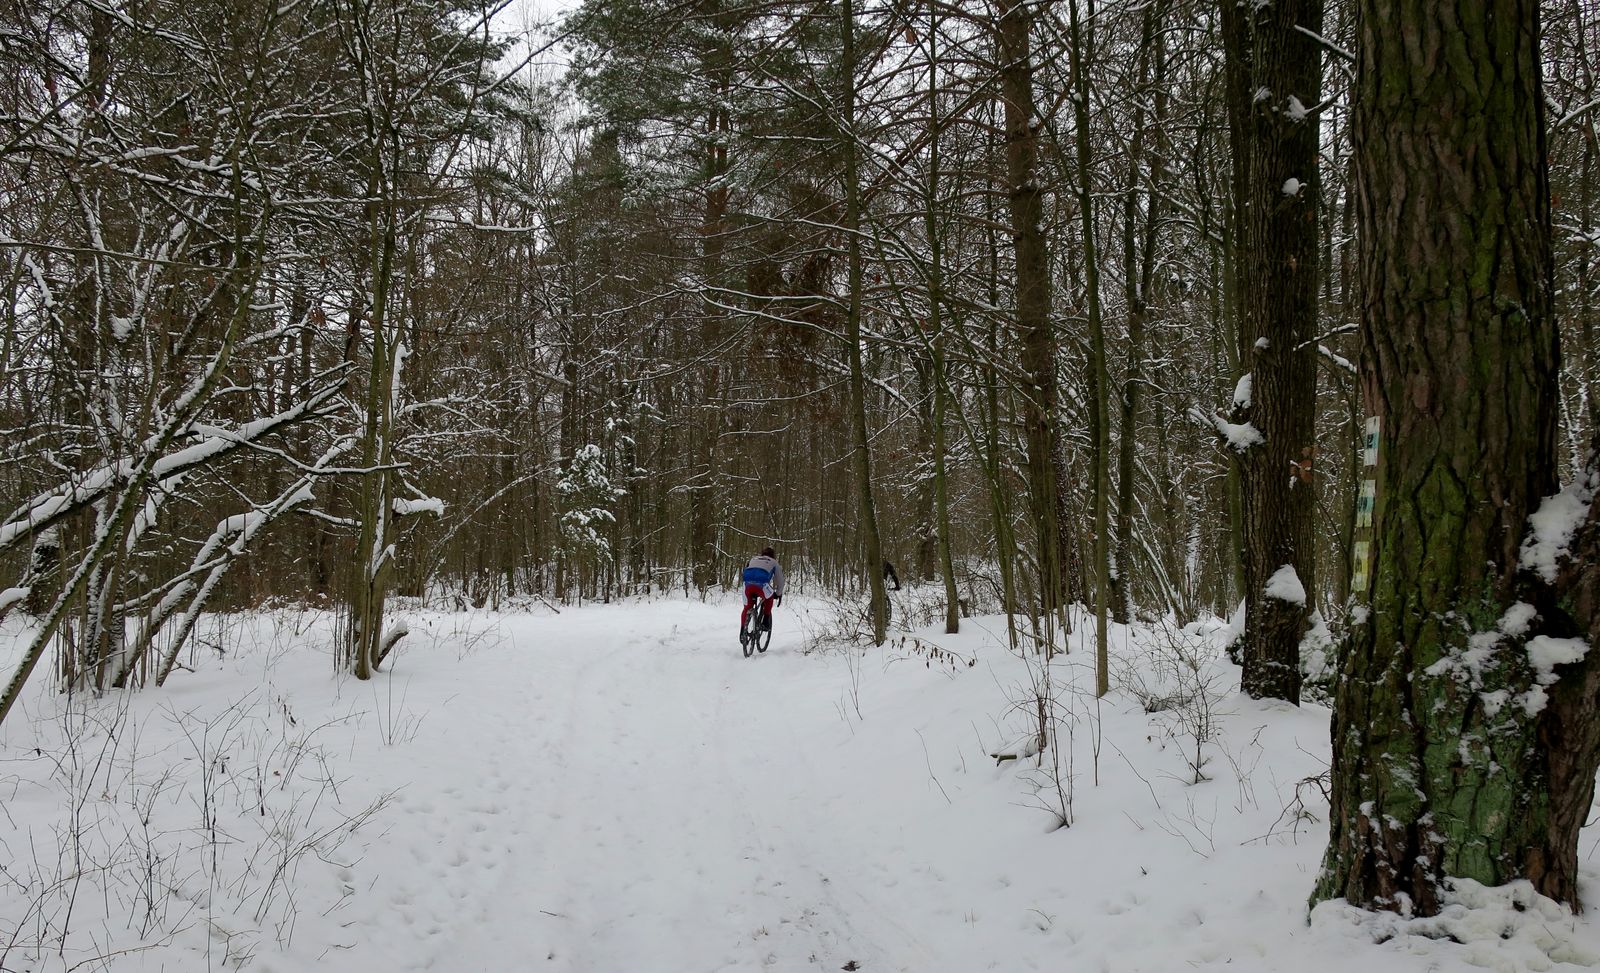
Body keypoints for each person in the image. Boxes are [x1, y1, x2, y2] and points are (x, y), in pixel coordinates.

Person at [740, 547, 785, 640]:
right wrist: (778, 593)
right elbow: (780, 581)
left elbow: (744, 572)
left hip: (747, 585)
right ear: (773, 556)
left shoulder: (753, 559)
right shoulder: (774, 562)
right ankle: (765, 620)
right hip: (761, 585)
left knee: (747, 608)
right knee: (770, 596)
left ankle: (742, 632)